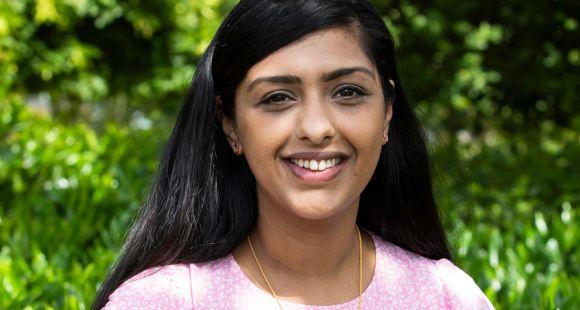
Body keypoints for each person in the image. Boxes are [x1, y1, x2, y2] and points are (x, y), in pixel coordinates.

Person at [93, 0, 494, 309]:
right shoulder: (163, 302)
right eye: (277, 98)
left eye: (348, 92)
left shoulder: (445, 296)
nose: (316, 128)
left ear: (387, 111)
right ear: (230, 123)